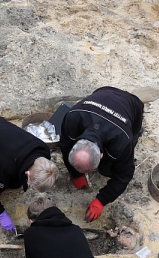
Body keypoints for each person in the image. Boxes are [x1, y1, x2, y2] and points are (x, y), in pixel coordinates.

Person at [60, 86, 144, 222]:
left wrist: (102, 199)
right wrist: (76, 174)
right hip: (103, 91)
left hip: (133, 105)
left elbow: (124, 176)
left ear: (101, 155)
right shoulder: (72, 117)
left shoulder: (122, 140)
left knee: (108, 169)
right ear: (74, 145)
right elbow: (64, 145)